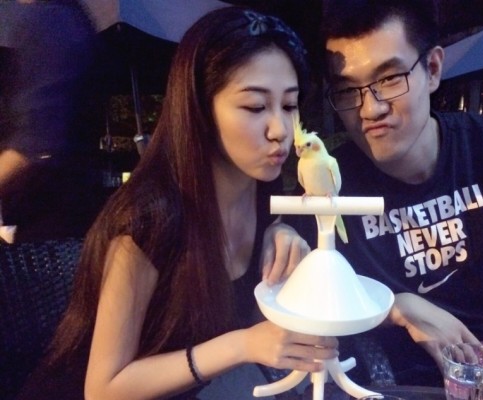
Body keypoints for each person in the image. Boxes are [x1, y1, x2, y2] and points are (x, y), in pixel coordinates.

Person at [17, 6, 337, 400]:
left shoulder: (264, 200)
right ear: (200, 109)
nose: (280, 130)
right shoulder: (149, 220)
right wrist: (241, 345)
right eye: (255, 107)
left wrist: (282, 248)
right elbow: (103, 388)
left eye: (289, 106)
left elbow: (256, 327)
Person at [291, 0, 483, 387]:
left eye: (390, 78)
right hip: (398, 382)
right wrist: (396, 306)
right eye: (348, 89)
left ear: (433, 69)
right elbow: (312, 303)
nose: (370, 109)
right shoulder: (328, 183)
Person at [0, 0, 103, 243]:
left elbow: (36, 143)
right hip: (69, 217)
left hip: (47, 225)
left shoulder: (48, 20)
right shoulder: (65, 17)